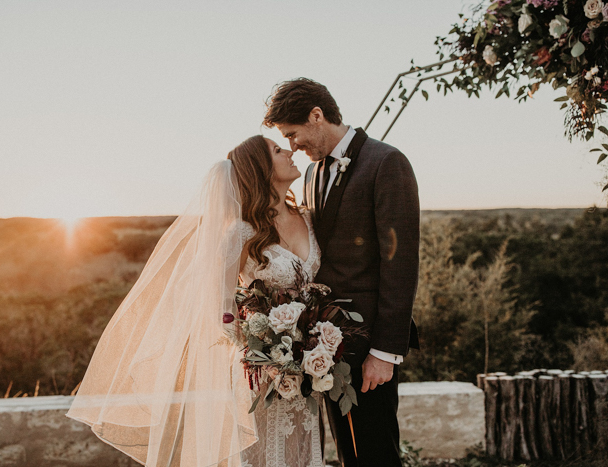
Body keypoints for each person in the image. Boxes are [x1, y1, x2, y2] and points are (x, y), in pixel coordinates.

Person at [67, 134, 325, 467]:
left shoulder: (308, 218)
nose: (290, 151)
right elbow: (220, 310)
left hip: (312, 367)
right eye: (278, 150)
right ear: (261, 169)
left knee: (307, 452)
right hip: (263, 374)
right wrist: (262, 352)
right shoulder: (241, 232)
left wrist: (320, 341)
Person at [263, 78, 420, 467]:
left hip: (370, 343)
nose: (293, 146)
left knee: (376, 452)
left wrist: (385, 352)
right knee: (351, 454)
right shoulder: (314, 175)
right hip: (326, 344)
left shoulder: (387, 162)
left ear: (317, 116)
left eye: (293, 134)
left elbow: (400, 264)